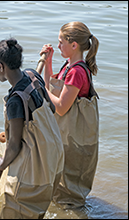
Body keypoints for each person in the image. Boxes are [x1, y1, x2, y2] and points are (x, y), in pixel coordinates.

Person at [0, 37, 64, 219]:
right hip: (54, 156)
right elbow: (52, 109)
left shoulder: (16, 100)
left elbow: (14, 145)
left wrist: (2, 163)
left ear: (1, 67)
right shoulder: (32, 75)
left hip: (35, 169)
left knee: (17, 210)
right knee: (35, 210)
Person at [39, 21, 100, 209]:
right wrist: (48, 63)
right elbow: (54, 89)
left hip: (75, 138)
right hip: (68, 134)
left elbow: (61, 107)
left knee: (70, 190)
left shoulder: (77, 72)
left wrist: (38, 87)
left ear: (74, 45)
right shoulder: (69, 65)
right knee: (61, 181)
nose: (57, 46)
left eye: (60, 42)